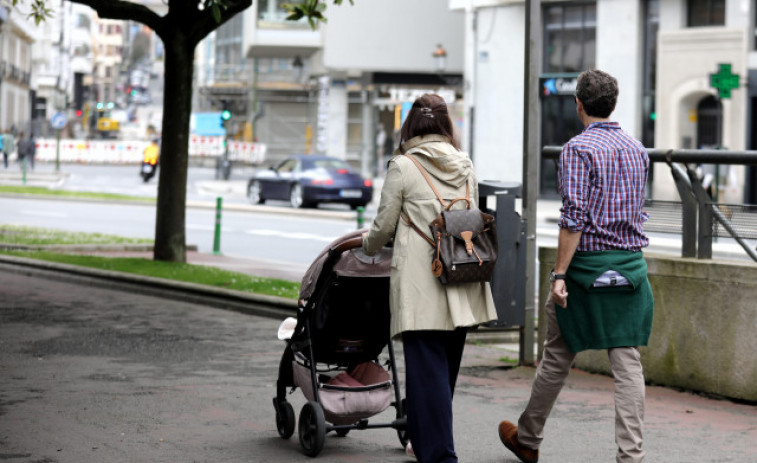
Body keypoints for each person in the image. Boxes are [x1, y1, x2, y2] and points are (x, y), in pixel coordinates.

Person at [497, 69, 654, 463]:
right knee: (627, 361)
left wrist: (560, 274)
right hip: (631, 271)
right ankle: (630, 456)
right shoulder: (638, 149)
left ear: (578, 104)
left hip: (586, 271)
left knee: (557, 355)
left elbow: (574, 219)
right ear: (613, 104)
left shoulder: (577, 149)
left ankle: (528, 439)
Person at [362, 93, 497, 463]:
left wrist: (367, 244)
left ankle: (440, 455)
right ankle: (422, 442)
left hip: (423, 285)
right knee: (441, 373)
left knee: (427, 373)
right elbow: (468, 216)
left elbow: (383, 225)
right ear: (445, 125)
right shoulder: (466, 164)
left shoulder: (403, 166)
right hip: (462, 277)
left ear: (411, 125)